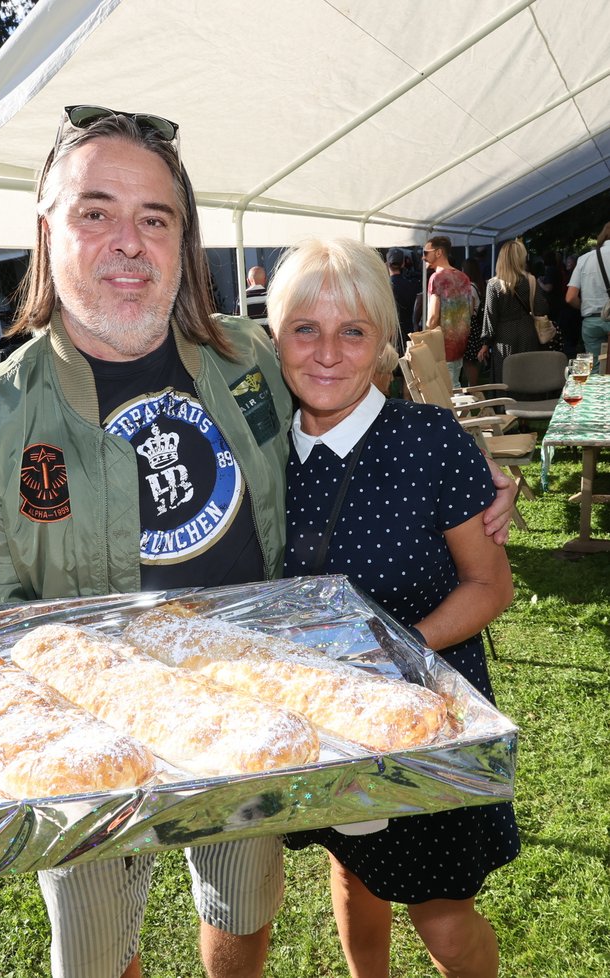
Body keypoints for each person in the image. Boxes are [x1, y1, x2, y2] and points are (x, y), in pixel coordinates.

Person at [0, 106, 517, 978]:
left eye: (154, 218)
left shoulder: (247, 358)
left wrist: (477, 482)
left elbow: (350, 396)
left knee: (242, 914)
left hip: (246, 702)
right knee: (91, 959)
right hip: (92, 738)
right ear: (47, 228)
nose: (128, 241)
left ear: (182, 241)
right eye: (96, 211)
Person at [267, 237, 519, 978]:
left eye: (353, 331)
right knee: (351, 868)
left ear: (383, 340)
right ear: (274, 337)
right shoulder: (260, 455)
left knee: (443, 920)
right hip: (322, 725)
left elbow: (490, 585)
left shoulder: (429, 441)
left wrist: (395, 648)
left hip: (423, 716)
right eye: (304, 329)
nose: (327, 353)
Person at [477, 239, 546, 384]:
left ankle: (505, 406)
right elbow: (541, 308)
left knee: (506, 377)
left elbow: (490, 317)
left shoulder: (494, 285)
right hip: (528, 333)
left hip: (504, 338)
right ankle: (530, 404)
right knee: (528, 375)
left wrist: (485, 343)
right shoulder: (531, 280)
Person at [422, 235, 474, 387]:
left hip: (441, 345)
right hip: (460, 343)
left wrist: (424, 339)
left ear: (438, 253)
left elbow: (432, 318)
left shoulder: (436, 278)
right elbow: (469, 310)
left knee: (447, 393)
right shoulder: (464, 277)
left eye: (426, 252)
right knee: (455, 386)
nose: (423, 257)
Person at [566, 221, 610, 361]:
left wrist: (585, 306)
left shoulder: (584, 259)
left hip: (591, 321)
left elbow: (570, 297)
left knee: (597, 368)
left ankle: (598, 383)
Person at [461, 257, 487, 387]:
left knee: (469, 362)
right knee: (471, 362)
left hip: (470, 328)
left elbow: (469, 311)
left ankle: (472, 389)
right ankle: (473, 388)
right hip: (476, 328)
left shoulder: (470, 288)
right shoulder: (478, 285)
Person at [385, 247, 419, 347]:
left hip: (391, 336)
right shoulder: (413, 284)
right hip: (409, 333)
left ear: (387, 264)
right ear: (403, 264)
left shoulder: (385, 287)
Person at [235, 264, 271, 334]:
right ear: (265, 280)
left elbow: (237, 322)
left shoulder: (243, 298)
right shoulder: (271, 296)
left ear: (248, 281)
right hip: (270, 343)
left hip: (251, 342)